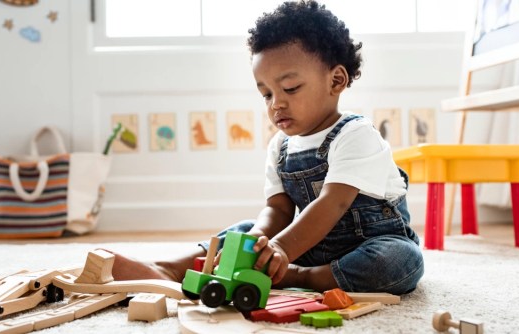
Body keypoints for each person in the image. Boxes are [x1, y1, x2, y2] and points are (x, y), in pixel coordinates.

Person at [108, 0, 424, 295]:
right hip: (307, 245)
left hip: (367, 244)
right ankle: (168, 269)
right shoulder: (280, 146)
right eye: (266, 94)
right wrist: (260, 237)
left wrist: (283, 249)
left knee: (398, 260)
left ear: (336, 80)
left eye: (290, 88)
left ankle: (301, 277)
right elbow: (279, 209)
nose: (277, 103)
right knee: (242, 232)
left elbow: (333, 204)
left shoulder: (356, 134)